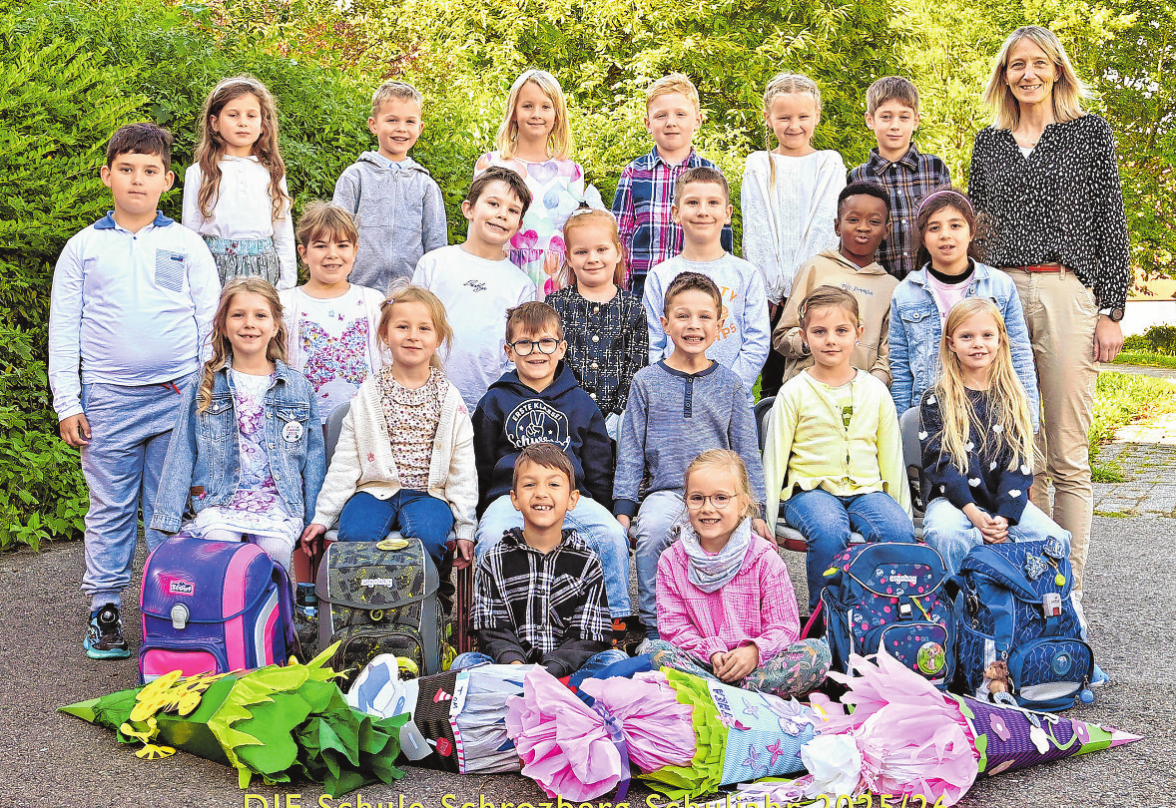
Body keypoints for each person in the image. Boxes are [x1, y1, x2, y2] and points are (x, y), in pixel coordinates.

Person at [969, 25, 1131, 597]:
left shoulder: (1088, 134)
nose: (1028, 74)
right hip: (1002, 294)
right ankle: (1029, 589)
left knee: (1066, 450)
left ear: (1058, 70)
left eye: (1039, 63)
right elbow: (975, 231)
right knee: (1018, 447)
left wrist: (1112, 309)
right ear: (1004, 75)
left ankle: (1070, 595)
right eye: (1017, 65)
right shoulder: (987, 144)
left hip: (1067, 291)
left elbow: (1110, 221)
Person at [49, 122, 221, 659]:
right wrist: (69, 402)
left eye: (149, 171)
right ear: (107, 176)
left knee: (171, 510)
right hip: (107, 400)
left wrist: (204, 392)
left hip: (176, 399)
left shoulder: (185, 243)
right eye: (126, 169)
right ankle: (105, 608)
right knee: (110, 508)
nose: (137, 180)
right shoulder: (83, 248)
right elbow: (64, 329)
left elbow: (207, 321)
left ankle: (168, 608)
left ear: (168, 180)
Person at [616, 272, 768, 638]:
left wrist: (756, 509)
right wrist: (623, 511)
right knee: (651, 533)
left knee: (740, 541)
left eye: (704, 317)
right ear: (665, 324)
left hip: (719, 495)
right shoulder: (646, 382)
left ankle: (723, 627)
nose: (693, 325)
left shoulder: (731, 384)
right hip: (667, 492)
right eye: (682, 316)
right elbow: (631, 450)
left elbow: (747, 451)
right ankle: (657, 627)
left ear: (719, 325)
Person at [472, 302, 635, 637]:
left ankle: (614, 622)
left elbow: (599, 465)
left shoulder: (580, 403)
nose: (536, 352)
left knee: (611, 534)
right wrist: (479, 512)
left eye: (546, 343)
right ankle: (493, 625)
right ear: (509, 350)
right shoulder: (494, 402)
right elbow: (481, 463)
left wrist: (605, 508)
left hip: (570, 500)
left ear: (561, 348)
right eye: (525, 344)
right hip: (512, 497)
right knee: (490, 536)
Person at [152, 278, 326, 577]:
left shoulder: (298, 388)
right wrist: (169, 515)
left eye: (260, 315)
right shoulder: (205, 383)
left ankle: (274, 619)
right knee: (221, 545)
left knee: (275, 549)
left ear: (275, 326)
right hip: (220, 498)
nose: (249, 324)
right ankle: (225, 619)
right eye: (238, 315)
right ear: (222, 324)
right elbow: (182, 448)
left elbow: (313, 459)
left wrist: (315, 518)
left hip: (278, 500)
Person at [301, 285, 477, 572]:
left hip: (428, 495)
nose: (412, 336)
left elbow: (462, 469)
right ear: (385, 334)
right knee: (356, 537)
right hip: (373, 490)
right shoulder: (369, 394)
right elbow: (345, 460)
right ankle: (368, 608)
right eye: (402, 326)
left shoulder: (448, 397)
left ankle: (423, 604)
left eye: (424, 328)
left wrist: (466, 527)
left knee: (428, 538)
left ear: (438, 338)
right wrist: (323, 516)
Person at [762, 287, 915, 613]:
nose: (831, 340)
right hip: (810, 491)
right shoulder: (795, 392)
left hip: (867, 490)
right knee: (830, 532)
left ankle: (883, 619)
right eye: (819, 331)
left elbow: (891, 460)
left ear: (858, 334)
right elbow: (774, 459)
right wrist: (764, 516)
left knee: (897, 532)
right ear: (805, 336)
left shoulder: (875, 391)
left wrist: (903, 511)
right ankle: (827, 625)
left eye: (841, 331)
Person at [645, 450, 831, 696]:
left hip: (758, 667)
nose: (707, 508)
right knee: (656, 652)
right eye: (697, 498)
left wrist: (754, 652)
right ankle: (740, 697)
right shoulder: (672, 560)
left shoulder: (765, 558)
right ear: (686, 501)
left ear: (743, 504)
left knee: (817, 655)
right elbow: (673, 628)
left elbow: (784, 627)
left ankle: (721, 695)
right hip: (704, 663)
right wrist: (712, 652)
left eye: (721, 498)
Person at [453, 443, 627, 686]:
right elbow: (491, 628)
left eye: (554, 484)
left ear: (572, 499)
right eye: (529, 484)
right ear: (514, 498)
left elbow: (587, 635)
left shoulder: (587, 562)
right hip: (511, 672)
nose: (541, 493)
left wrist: (550, 670)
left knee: (614, 661)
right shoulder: (495, 559)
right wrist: (515, 665)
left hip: (567, 671)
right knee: (464, 664)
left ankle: (565, 703)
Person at [920, 298, 1066, 574]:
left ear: (1000, 340)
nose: (978, 343)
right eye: (967, 336)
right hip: (953, 500)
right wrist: (972, 512)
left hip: (1004, 500)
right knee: (946, 535)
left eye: (987, 335)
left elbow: (1019, 464)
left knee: (1055, 540)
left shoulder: (1012, 397)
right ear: (951, 343)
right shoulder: (936, 399)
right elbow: (941, 465)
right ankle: (961, 606)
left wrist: (1006, 516)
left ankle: (1020, 604)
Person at [888, 189, 1038, 425]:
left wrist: (1028, 420)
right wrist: (900, 426)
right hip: (931, 417)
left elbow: (1019, 354)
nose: (945, 235)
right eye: (934, 227)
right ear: (923, 237)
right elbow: (900, 367)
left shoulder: (999, 286)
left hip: (991, 414)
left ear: (971, 231)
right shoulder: (906, 292)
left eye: (955, 225)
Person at [741, 72, 846, 398]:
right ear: (768, 118)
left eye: (803, 116)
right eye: (784, 117)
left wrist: (802, 290)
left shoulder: (828, 163)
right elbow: (757, 229)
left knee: (816, 379)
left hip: (815, 291)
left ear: (817, 114)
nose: (794, 125)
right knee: (774, 382)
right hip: (771, 300)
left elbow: (824, 227)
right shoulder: (759, 164)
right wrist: (771, 290)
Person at [411, 167, 539, 411]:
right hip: (426, 398)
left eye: (512, 210)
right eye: (493, 204)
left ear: (519, 223)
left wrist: (502, 399)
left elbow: (518, 353)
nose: (502, 214)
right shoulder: (434, 264)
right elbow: (410, 326)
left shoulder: (521, 285)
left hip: (488, 407)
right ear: (468, 209)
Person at [643, 167, 769, 402]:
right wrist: (670, 387)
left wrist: (729, 388)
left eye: (713, 202)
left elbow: (757, 340)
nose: (703, 211)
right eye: (692, 202)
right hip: (673, 402)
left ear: (727, 212)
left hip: (731, 402)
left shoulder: (746, 274)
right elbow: (652, 341)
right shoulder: (660, 276)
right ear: (676, 213)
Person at [474, 70, 603, 296]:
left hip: (555, 279)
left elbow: (578, 236)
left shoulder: (571, 171)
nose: (536, 114)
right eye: (527, 106)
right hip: (503, 272)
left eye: (545, 107)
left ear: (557, 115)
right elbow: (476, 231)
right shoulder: (491, 165)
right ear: (513, 112)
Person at [610, 73, 734, 299]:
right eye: (661, 115)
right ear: (648, 124)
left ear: (697, 121)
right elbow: (619, 236)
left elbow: (723, 237)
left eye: (680, 114)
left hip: (698, 294)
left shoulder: (712, 175)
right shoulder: (634, 173)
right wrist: (621, 291)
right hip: (642, 292)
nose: (670, 122)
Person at [773, 182, 898, 387]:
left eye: (874, 221)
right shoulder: (815, 268)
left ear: (887, 230)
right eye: (853, 219)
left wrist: (869, 389)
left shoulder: (891, 288)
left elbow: (888, 356)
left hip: (858, 402)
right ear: (837, 226)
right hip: (807, 394)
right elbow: (782, 335)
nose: (863, 227)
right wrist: (811, 341)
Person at [332, 80, 447, 294]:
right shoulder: (355, 177)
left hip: (410, 294)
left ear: (420, 128)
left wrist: (433, 292)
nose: (401, 128)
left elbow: (436, 244)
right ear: (373, 124)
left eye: (410, 121)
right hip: (358, 290)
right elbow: (336, 235)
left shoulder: (426, 186)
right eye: (392, 120)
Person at [182, 76, 296, 290]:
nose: (243, 122)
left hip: (263, 272)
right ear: (214, 123)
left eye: (251, 115)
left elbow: (283, 233)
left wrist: (287, 284)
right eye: (233, 115)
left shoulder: (272, 172)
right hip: (215, 270)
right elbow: (191, 234)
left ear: (263, 124)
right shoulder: (200, 173)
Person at [279, 202, 388, 425]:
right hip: (302, 422)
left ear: (355, 251)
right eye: (321, 246)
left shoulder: (373, 301)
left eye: (342, 245)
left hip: (363, 421)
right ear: (304, 253)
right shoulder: (285, 303)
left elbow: (388, 361)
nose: (332, 254)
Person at [544, 209, 648, 441]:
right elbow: (550, 362)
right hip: (563, 419)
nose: (592, 258)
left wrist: (618, 415)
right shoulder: (556, 306)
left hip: (616, 426)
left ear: (618, 252)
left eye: (602, 249)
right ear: (569, 258)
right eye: (581, 252)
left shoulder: (633, 308)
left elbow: (636, 368)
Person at [849, 76, 952, 281]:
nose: (895, 125)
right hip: (877, 284)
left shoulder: (934, 169)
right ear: (870, 120)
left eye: (904, 117)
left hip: (931, 281)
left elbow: (948, 224)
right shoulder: (858, 177)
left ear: (915, 121)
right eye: (886, 117)